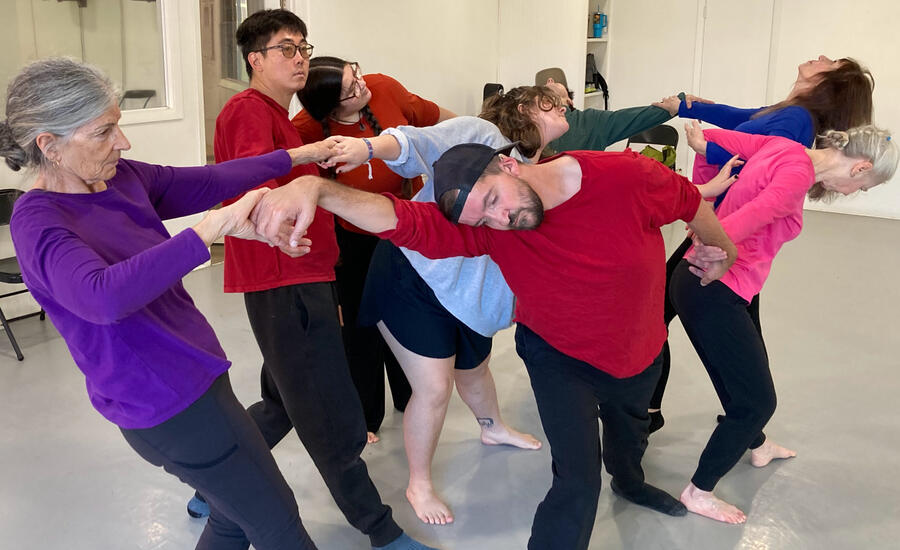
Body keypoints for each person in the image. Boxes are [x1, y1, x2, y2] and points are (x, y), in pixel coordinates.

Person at [250, 139, 742, 550]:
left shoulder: (623, 176)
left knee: (630, 437)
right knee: (576, 481)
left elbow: (689, 202)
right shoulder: (490, 232)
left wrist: (723, 249)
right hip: (557, 358)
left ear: (508, 164)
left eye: (492, 201)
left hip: (638, 351)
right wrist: (317, 188)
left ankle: (631, 483)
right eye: (482, 221)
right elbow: (403, 220)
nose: (500, 220)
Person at [1, 57, 332, 549]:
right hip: (167, 405)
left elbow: (209, 181)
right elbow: (103, 296)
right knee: (278, 525)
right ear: (49, 145)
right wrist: (212, 229)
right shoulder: (39, 221)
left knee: (231, 518)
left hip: (194, 375)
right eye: (103, 132)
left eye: (118, 126)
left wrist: (301, 155)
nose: (123, 142)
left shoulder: (120, 179)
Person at [209, 9, 434, 550]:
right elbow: (250, 189)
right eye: (288, 48)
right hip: (285, 281)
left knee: (285, 400)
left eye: (305, 47)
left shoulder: (280, 117)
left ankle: (216, 488)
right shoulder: (248, 111)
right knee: (330, 416)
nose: (301, 58)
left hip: (302, 277)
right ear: (255, 59)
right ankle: (380, 531)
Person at [314, 86, 578, 525]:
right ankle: (418, 483)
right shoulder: (481, 135)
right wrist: (366, 147)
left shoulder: (543, 168)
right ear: (523, 110)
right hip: (412, 277)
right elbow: (415, 143)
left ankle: (493, 429)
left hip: (467, 290)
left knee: (474, 368)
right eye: (548, 101)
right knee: (434, 388)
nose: (563, 104)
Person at [672, 123, 897, 524]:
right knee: (758, 402)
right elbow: (760, 212)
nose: (854, 193)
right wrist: (715, 245)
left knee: (740, 379)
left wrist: (701, 146)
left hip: (705, 284)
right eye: (862, 187)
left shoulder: (783, 149)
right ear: (860, 168)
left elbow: (718, 142)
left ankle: (758, 445)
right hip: (714, 287)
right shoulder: (796, 175)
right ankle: (698, 491)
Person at [649, 55, 875, 431]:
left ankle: (651, 413)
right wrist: (686, 106)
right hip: (726, 231)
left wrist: (706, 155)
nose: (820, 57)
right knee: (737, 336)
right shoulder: (790, 111)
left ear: (830, 83)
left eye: (830, 62)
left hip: (728, 234)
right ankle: (751, 432)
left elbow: (756, 161)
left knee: (660, 316)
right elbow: (739, 117)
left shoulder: (796, 120)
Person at [292, 56, 455, 442]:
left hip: (405, 226)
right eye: (350, 90)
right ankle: (365, 415)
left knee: (408, 313)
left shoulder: (382, 88)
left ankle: (411, 394)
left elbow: (439, 120)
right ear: (330, 109)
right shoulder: (307, 130)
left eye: (357, 75)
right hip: (350, 237)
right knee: (360, 325)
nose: (361, 87)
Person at [541, 76, 679, 154]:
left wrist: (681, 104)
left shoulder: (591, 121)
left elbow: (636, 118)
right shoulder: (531, 123)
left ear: (569, 101)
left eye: (554, 83)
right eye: (545, 85)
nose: (550, 81)